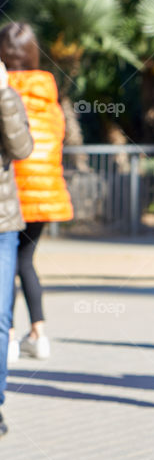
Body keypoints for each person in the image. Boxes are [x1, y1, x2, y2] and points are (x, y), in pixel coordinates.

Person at [0, 22, 74, 360]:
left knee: (7, 267)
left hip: (12, 195)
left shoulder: (4, 90)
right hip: (46, 195)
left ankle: (10, 337)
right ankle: (38, 333)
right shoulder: (49, 94)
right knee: (26, 262)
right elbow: (59, 138)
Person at [0, 55, 34, 437]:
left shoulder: (6, 94)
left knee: (0, 316)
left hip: (2, 222)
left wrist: (5, 95)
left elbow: (22, 148)